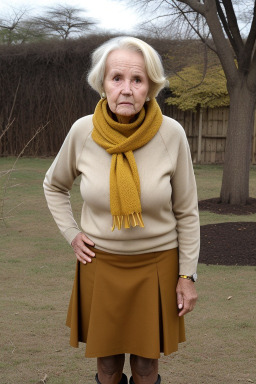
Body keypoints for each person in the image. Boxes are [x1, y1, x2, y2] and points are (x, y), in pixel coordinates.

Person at [43, 36, 200, 384]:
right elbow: (53, 185)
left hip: (157, 265)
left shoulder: (171, 134)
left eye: (137, 79)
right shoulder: (82, 132)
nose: (126, 89)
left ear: (151, 88)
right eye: (117, 78)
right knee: (108, 366)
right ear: (103, 84)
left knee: (146, 367)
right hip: (101, 265)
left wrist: (187, 276)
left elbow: (187, 211)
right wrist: (71, 234)